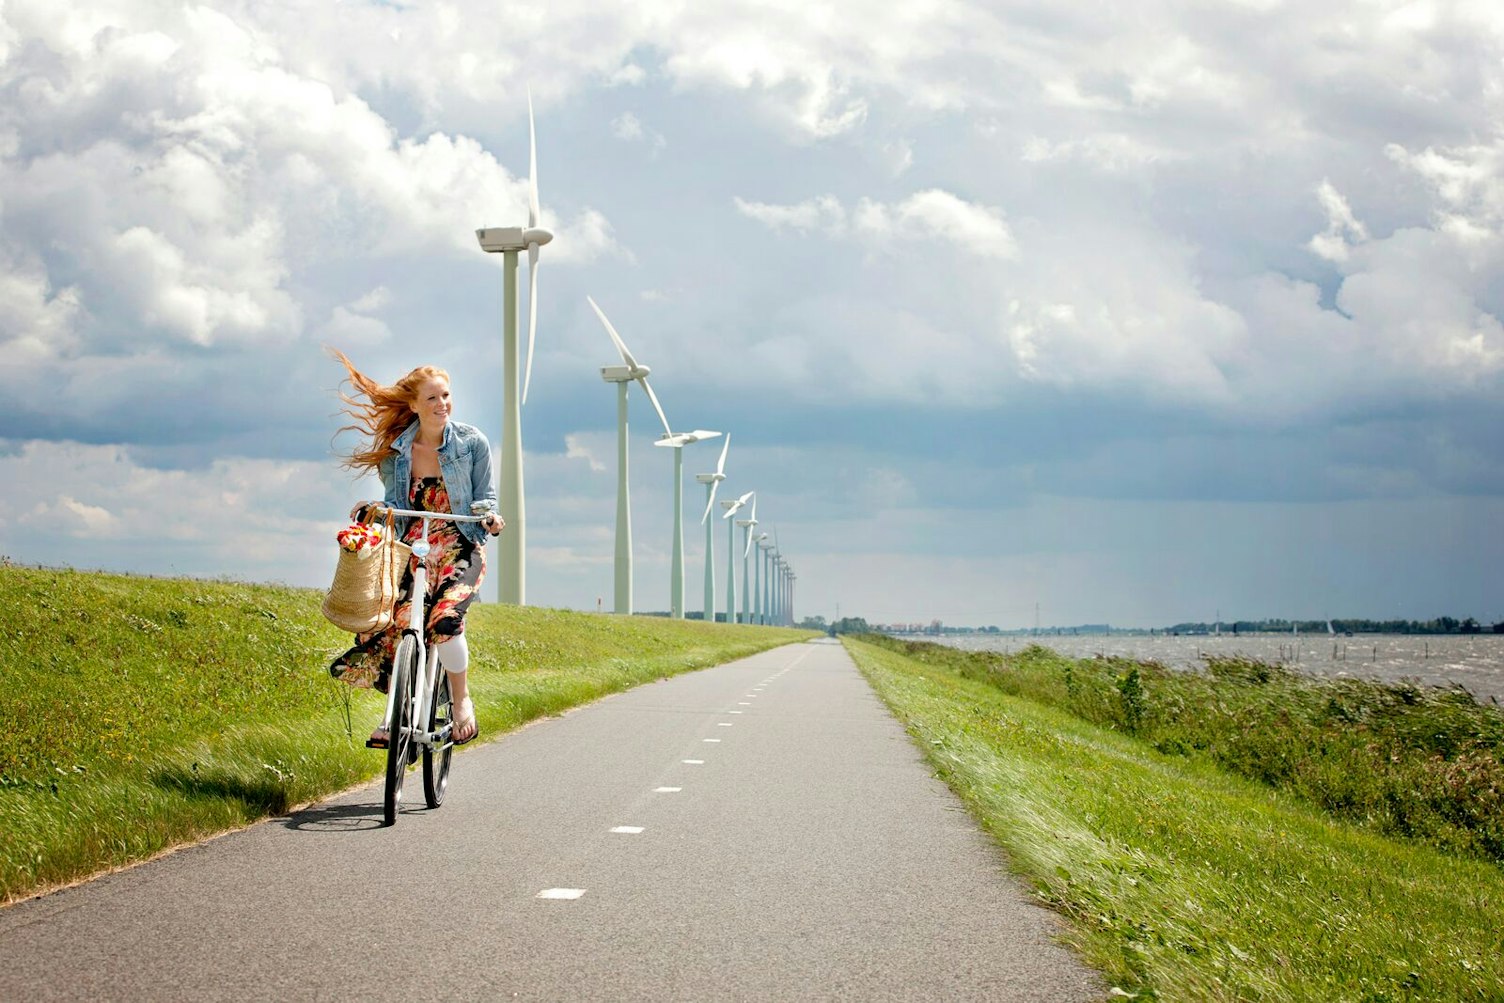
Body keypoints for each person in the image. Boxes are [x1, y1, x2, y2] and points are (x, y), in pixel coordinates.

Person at [326, 347, 504, 747]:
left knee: (444, 621)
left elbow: (485, 499)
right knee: (397, 623)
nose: (442, 404)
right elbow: (395, 502)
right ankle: (395, 718)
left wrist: (490, 518)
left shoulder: (472, 443)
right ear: (413, 405)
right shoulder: (396, 453)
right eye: (432, 398)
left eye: (445, 395)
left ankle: (461, 703)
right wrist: (373, 511)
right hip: (416, 549)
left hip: (461, 546)